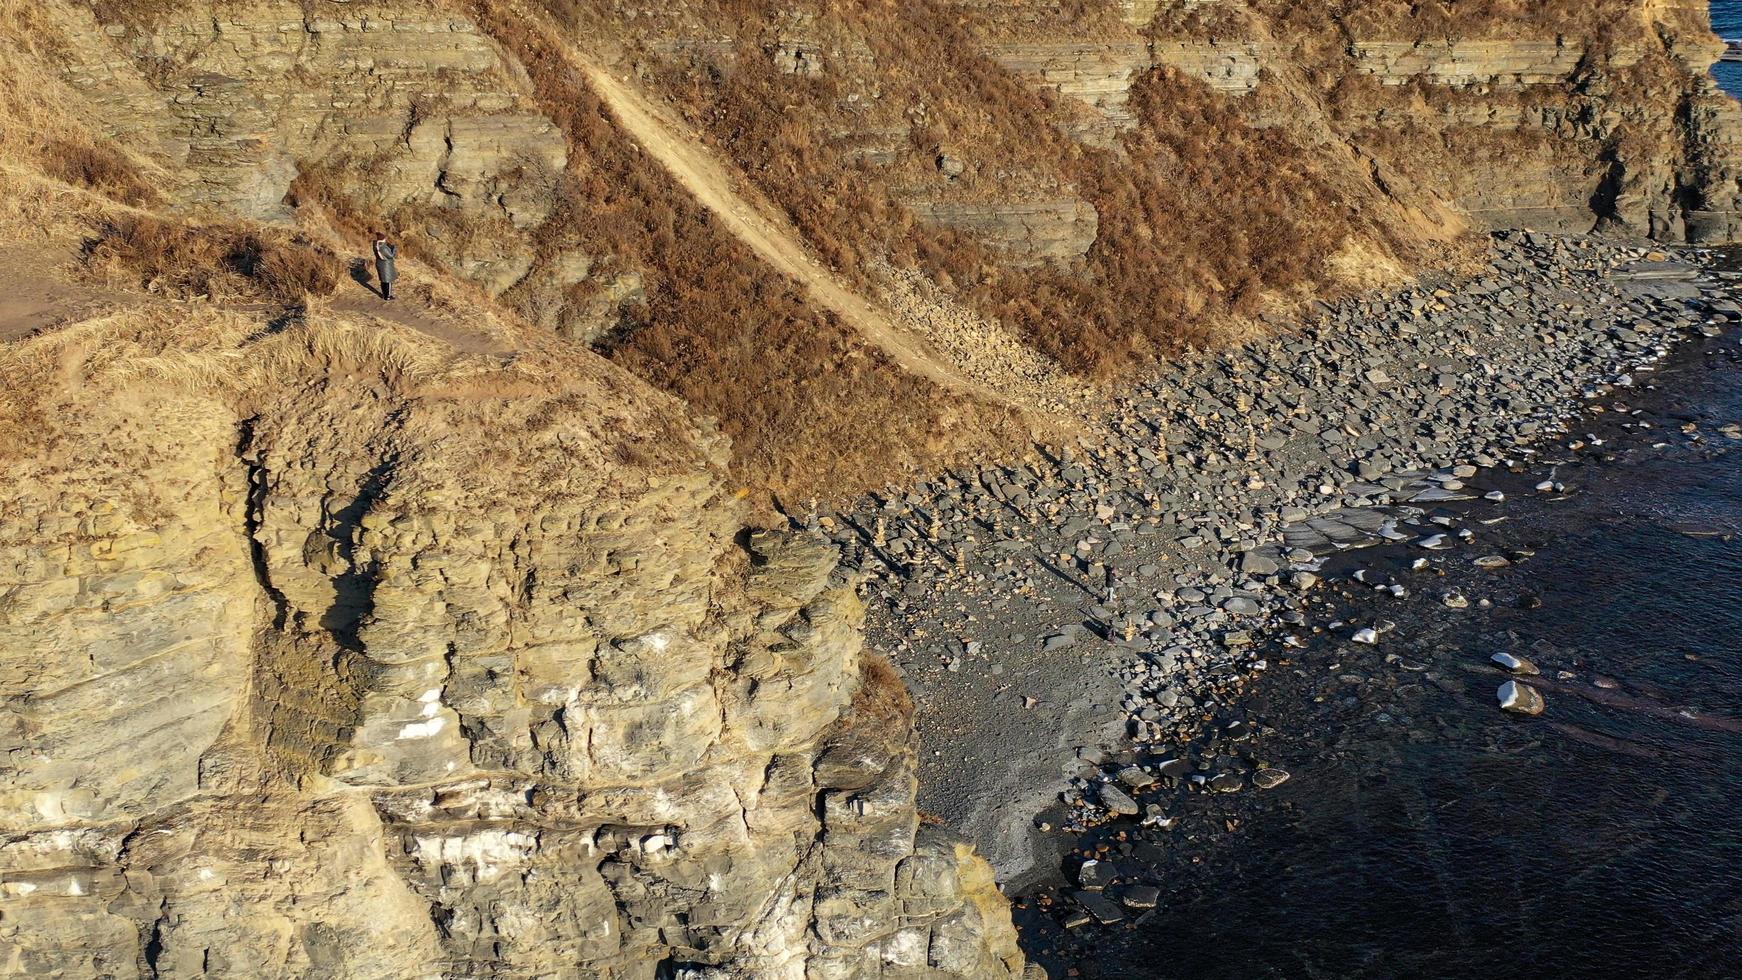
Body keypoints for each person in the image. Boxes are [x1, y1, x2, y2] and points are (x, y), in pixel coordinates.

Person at [372, 231, 398, 300]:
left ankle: (384, 295)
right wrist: (394, 248)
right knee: (388, 281)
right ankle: (388, 296)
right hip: (386, 265)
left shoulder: (376, 245)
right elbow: (391, 256)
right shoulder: (383, 247)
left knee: (383, 280)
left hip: (380, 264)